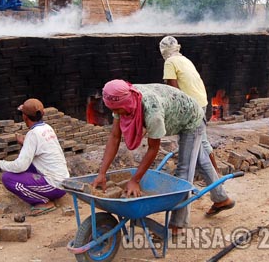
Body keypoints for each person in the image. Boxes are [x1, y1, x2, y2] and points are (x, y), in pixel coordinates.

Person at [91, 80, 234, 235]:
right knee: (201, 160)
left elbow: (153, 149)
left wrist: (135, 180)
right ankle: (221, 199)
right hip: (178, 112)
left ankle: (177, 225)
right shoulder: (121, 99)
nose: (117, 114)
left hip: (192, 120)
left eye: (119, 111)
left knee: (184, 169)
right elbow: (114, 136)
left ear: (127, 102)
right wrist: (102, 173)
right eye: (114, 111)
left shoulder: (153, 113)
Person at [0, 98, 70, 216]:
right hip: (64, 181)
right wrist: (26, 143)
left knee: (8, 178)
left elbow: (20, 166)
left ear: (25, 117)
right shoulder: (46, 128)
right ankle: (45, 194)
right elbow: (42, 148)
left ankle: (43, 202)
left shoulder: (33, 134)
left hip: (55, 186)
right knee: (29, 164)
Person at [159, 35, 220, 173]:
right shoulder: (184, 59)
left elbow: (174, 91)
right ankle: (212, 172)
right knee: (201, 138)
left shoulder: (169, 62)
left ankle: (212, 173)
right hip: (201, 100)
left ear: (164, 50)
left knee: (198, 141)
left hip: (192, 105)